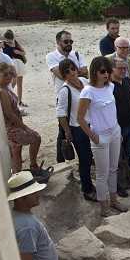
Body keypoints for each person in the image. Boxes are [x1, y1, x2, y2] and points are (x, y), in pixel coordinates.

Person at [77, 56, 127, 216]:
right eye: (102, 71)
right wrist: (94, 137)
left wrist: (117, 130)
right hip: (100, 136)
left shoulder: (110, 87)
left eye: (108, 71)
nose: (106, 74)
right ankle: (104, 206)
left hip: (114, 131)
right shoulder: (88, 91)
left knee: (113, 169)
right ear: (94, 72)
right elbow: (80, 118)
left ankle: (114, 199)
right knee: (102, 173)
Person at [0, 63, 49, 178]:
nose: (9, 77)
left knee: (17, 156)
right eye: (5, 75)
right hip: (12, 127)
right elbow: (9, 113)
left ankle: (19, 179)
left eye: (10, 74)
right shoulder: (2, 91)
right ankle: (33, 166)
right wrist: (24, 127)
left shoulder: (6, 88)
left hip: (14, 126)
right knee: (35, 138)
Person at [56, 58, 96, 202]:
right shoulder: (64, 91)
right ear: (63, 75)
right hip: (78, 128)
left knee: (92, 156)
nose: (71, 73)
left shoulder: (84, 81)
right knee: (84, 160)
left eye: (72, 69)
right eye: (67, 71)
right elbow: (61, 114)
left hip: (92, 124)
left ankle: (91, 184)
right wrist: (67, 132)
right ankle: (87, 189)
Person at [47, 30, 88, 163]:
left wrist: (76, 74)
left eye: (71, 41)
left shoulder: (76, 54)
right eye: (66, 41)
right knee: (63, 131)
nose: (69, 44)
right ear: (58, 42)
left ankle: (87, 156)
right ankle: (62, 160)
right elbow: (61, 75)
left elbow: (85, 71)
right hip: (64, 95)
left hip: (80, 94)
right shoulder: (51, 56)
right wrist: (76, 72)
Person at [110, 57, 130, 195]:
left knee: (127, 153)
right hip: (117, 127)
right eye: (120, 68)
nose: (123, 70)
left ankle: (128, 179)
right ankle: (118, 185)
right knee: (117, 158)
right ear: (112, 69)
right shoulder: (108, 86)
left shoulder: (127, 81)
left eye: (125, 68)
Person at [3, 29, 28, 107]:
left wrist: (18, 52)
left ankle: (19, 101)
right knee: (13, 82)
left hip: (19, 63)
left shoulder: (15, 42)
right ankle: (9, 98)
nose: (8, 40)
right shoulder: (3, 44)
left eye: (9, 39)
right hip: (11, 64)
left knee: (20, 83)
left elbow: (24, 52)